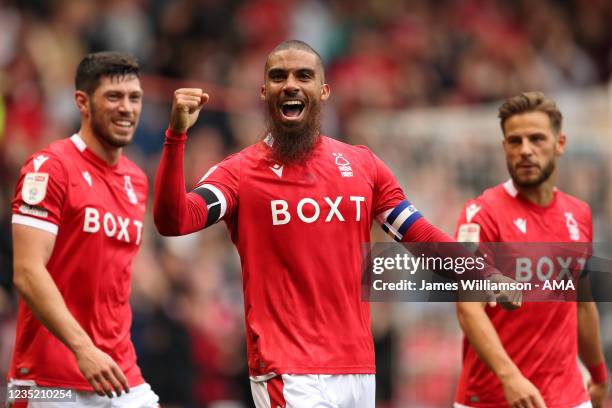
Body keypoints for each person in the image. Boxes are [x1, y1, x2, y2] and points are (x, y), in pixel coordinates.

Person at [154, 40, 517, 407]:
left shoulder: (362, 165)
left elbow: (418, 234)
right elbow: (175, 220)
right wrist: (175, 137)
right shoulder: (239, 174)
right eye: (278, 77)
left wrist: (481, 273)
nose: (291, 84)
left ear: (323, 91)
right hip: (288, 367)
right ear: (264, 93)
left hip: (357, 367)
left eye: (304, 76)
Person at [9, 52, 159, 407]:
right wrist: (83, 348)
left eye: (134, 98)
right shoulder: (49, 168)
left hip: (120, 371)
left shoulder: (136, 180)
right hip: (49, 379)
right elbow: (27, 272)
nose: (127, 108)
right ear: (83, 102)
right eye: (114, 97)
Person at [454, 92, 608, 408]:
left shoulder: (579, 214)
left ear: (560, 143)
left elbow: (582, 304)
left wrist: (599, 374)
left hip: (567, 396)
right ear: (504, 148)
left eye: (536, 139)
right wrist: (510, 377)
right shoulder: (481, 214)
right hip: (493, 396)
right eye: (515, 141)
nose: (525, 150)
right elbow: (468, 308)